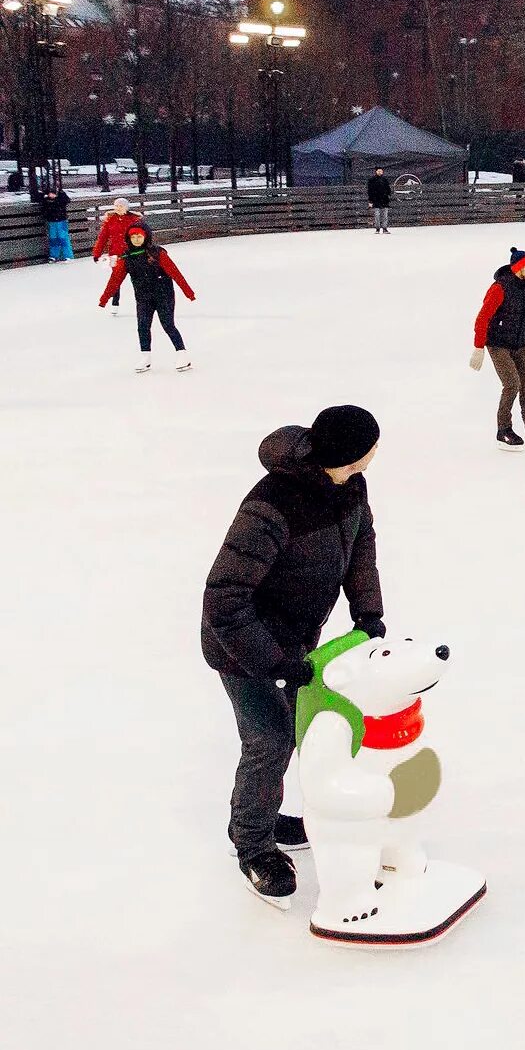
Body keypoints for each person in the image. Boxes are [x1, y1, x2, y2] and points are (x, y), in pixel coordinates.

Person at [203, 405, 386, 907]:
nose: (376, 453)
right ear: (350, 452)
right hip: (242, 647)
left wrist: (368, 612)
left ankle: (264, 815)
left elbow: (360, 544)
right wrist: (274, 660)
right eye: (371, 445)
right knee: (269, 739)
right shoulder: (271, 505)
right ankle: (253, 845)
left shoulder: (349, 487)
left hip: (295, 638)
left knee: (295, 729)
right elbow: (224, 599)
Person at [469, 247, 525, 450]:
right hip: (498, 343)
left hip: (519, 342)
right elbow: (483, 318)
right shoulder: (500, 288)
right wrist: (478, 347)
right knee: (512, 384)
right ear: (518, 269)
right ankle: (503, 430)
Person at [99, 222, 197, 372]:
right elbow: (115, 280)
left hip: (163, 295)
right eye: (133, 236)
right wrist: (104, 298)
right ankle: (146, 357)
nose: (137, 239)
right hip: (143, 297)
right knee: (143, 326)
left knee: (168, 325)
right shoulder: (127, 258)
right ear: (129, 238)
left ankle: (181, 353)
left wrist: (188, 292)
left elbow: (175, 273)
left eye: (139, 236)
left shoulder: (157, 253)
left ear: (146, 237)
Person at [91, 197, 141, 266]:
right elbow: (102, 238)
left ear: (126, 208)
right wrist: (97, 254)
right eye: (116, 206)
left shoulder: (134, 220)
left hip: (132, 253)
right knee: (116, 275)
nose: (118, 208)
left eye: (121, 206)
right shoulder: (110, 220)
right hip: (115, 254)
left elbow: (142, 237)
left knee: (135, 274)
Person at [37, 180, 74, 261]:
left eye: (53, 193)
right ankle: (54, 255)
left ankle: (68, 255)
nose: (51, 195)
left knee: (63, 238)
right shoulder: (47, 201)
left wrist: (61, 193)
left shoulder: (60, 199)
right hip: (52, 221)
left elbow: (67, 200)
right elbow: (41, 202)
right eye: (50, 193)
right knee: (53, 238)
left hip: (61, 221)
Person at [367, 167, 394, 234]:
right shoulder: (372, 180)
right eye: (378, 171)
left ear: (382, 172)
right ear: (376, 172)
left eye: (381, 171)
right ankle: (377, 229)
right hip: (376, 200)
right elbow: (370, 191)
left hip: (385, 200)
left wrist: (388, 194)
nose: (379, 172)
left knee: (385, 215)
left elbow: (388, 189)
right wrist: (370, 201)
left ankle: (385, 229)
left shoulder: (385, 180)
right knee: (377, 215)